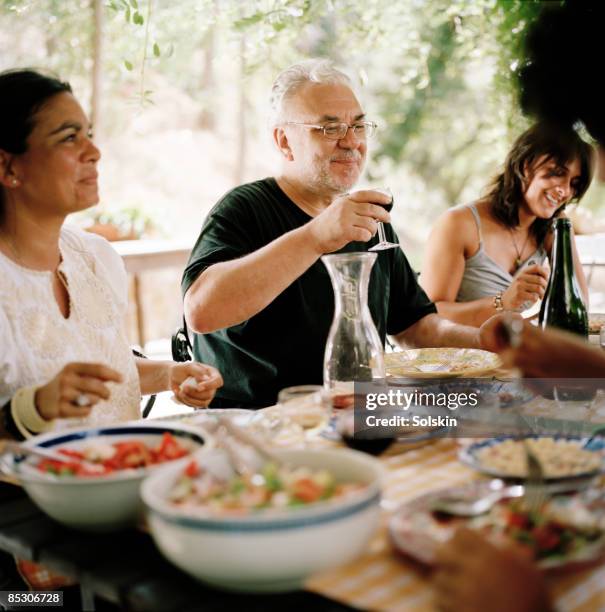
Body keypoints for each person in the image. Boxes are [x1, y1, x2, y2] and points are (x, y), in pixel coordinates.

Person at [182, 58, 500, 408]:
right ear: (284, 140)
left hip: (357, 417)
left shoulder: (371, 218)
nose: (352, 142)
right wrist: (316, 236)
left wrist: (483, 341)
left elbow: (415, 327)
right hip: (262, 427)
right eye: (330, 129)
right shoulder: (245, 208)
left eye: (359, 127)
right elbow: (200, 311)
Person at [0, 69, 223, 440]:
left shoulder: (94, 257)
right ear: (7, 166)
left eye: (88, 134)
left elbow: (107, 369)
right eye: (69, 138)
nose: (94, 151)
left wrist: (168, 375)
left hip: (126, 475)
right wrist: (31, 410)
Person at [420, 122, 593, 327]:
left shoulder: (549, 230)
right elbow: (429, 316)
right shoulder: (459, 224)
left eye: (574, 183)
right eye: (557, 173)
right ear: (524, 166)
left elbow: (579, 307)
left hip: (515, 354)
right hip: (462, 356)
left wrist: (564, 228)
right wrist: (503, 302)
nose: (565, 190)